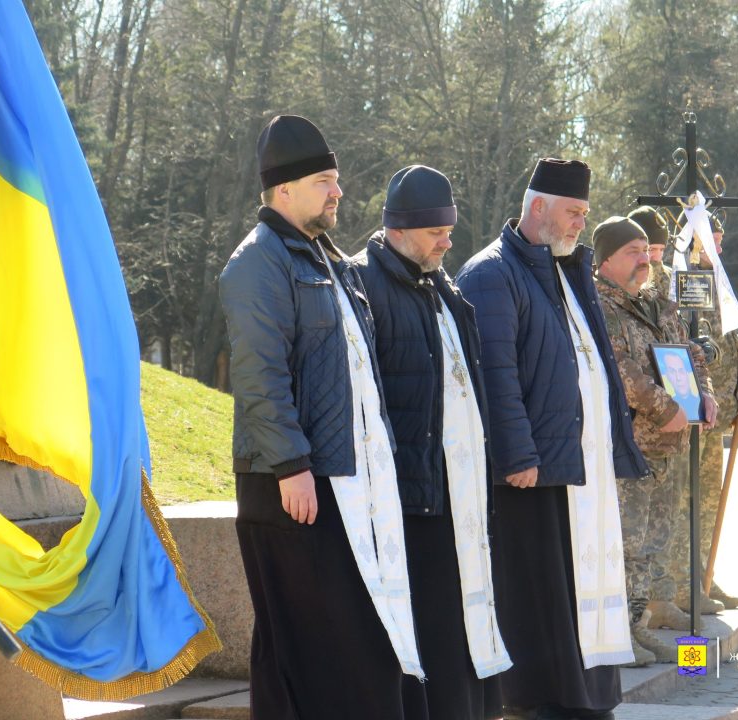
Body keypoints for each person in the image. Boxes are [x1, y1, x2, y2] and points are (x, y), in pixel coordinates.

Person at [219, 115, 425, 719]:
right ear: (284, 190)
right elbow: (260, 380)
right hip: (293, 486)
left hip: (339, 482)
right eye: (325, 181)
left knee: (335, 647)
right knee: (311, 650)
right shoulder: (257, 264)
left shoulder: (323, 257)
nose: (339, 192)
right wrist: (291, 465)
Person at [456, 159, 649, 720]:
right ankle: (545, 697)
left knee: (578, 584)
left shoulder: (565, 269)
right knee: (541, 590)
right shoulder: (491, 274)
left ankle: (586, 696)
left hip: (576, 465)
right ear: (537, 206)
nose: (578, 226)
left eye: (584, 215)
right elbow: (497, 374)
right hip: (533, 470)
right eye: (572, 213)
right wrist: (518, 453)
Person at [352, 165, 511, 719]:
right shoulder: (363, 284)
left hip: (457, 490)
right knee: (433, 624)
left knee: (463, 616)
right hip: (412, 493)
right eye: (435, 232)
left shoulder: (439, 282)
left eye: (450, 229)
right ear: (399, 229)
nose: (448, 241)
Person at [592, 216, 716, 666]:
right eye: (633, 252)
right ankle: (617, 634)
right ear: (605, 259)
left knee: (650, 546)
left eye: (646, 252)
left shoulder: (655, 303)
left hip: (668, 447)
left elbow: (690, 352)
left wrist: (704, 396)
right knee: (624, 545)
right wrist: (668, 410)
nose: (645, 260)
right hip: (630, 448)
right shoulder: (598, 307)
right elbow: (622, 372)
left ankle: (637, 628)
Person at [670, 216, 738, 615]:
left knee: (708, 501)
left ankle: (704, 577)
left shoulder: (716, 283)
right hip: (686, 414)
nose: (719, 251)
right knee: (682, 502)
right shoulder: (675, 281)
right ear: (692, 242)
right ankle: (679, 584)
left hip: (716, 414)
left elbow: (725, 333)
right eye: (713, 243)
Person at [627, 206, 671, 301]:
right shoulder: (621, 278)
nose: (657, 257)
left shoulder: (673, 279)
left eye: (661, 249)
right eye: (651, 249)